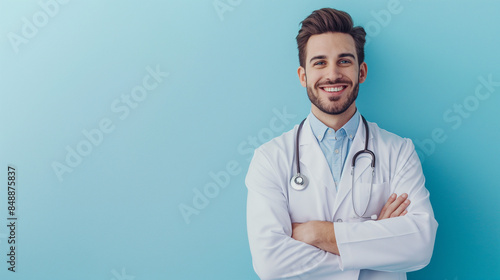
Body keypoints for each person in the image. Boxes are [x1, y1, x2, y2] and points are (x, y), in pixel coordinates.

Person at [245, 8, 438, 280]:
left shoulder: (398, 151)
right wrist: (374, 244)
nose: (333, 74)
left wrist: (316, 233)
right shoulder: (270, 158)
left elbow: (420, 244)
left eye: (344, 61)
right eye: (320, 63)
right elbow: (270, 262)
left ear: (362, 72)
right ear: (303, 76)